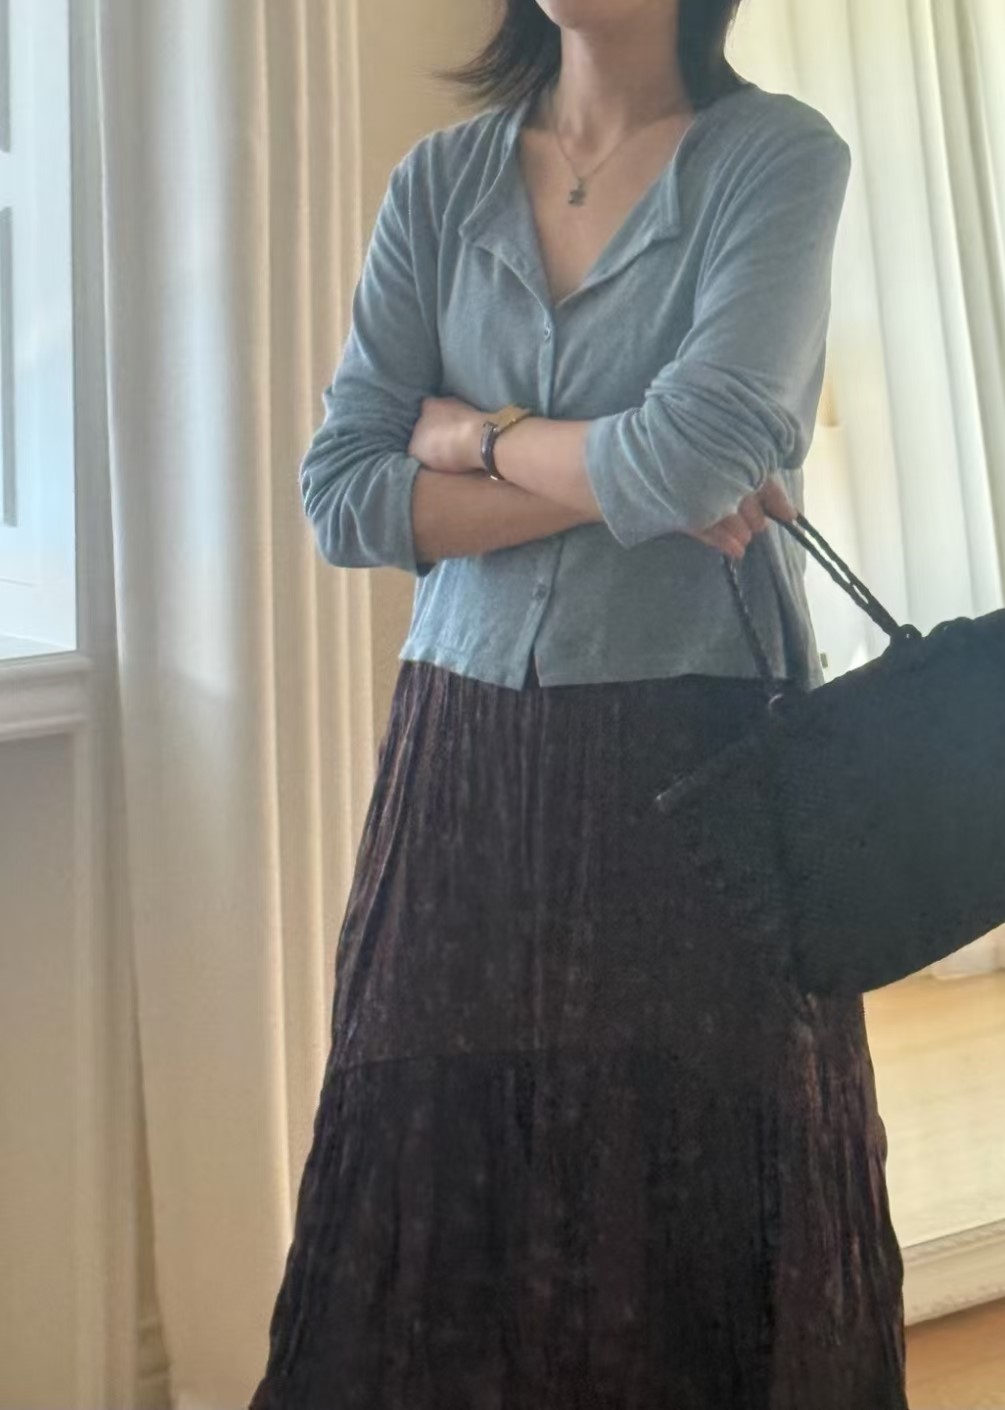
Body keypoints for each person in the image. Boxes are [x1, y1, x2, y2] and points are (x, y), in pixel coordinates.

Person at [249, 1, 908, 1405]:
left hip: (696, 747)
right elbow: (344, 492)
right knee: (438, 1157)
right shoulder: (442, 181)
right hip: (465, 753)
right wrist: (620, 472)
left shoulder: (776, 157)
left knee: (701, 1181)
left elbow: (698, 456)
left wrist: (471, 435)